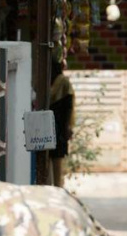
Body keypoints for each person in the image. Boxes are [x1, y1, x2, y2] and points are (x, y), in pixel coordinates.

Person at [49, 59, 75, 188]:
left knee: (53, 163)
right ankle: (56, 188)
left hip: (56, 127)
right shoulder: (61, 82)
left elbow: (68, 107)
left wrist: (66, 127)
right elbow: (69, 107)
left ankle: (56, 188)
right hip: (57, 127)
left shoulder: (58, 82)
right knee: (55, 164)